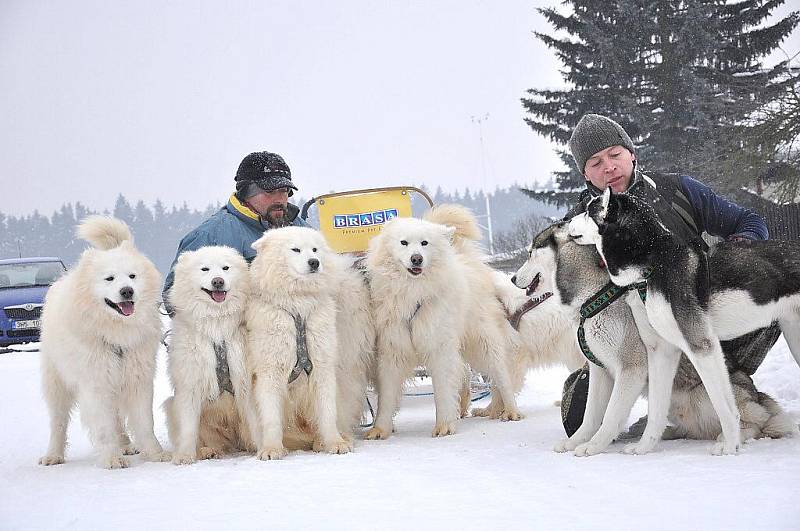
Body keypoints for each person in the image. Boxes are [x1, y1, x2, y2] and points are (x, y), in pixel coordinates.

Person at [560, 113, 782, 436]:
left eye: (614, 154)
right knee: (577, 421)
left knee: (775, 303)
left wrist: (735, 255)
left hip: (698, 320)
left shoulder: (677, 192)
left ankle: (726, 385)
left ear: (631, 154)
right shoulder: (578, 226)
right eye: (595, 162)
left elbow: (750, 222)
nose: (608, 167)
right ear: (585, 175)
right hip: (631, 345)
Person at [162, 151, 309, 304]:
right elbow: (173, 298)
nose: (279, 198)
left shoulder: (302, 231)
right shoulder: (211, 235)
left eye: (284, 191)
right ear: (247, 192)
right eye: (270, 191)